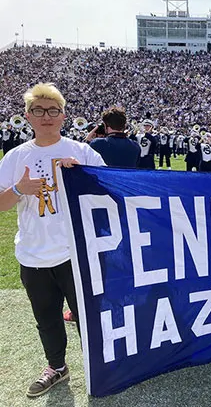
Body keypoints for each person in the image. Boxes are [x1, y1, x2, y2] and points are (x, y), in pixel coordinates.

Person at [0, 83, 105, 398]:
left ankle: (99, 366)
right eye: (38, 110)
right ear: (28, 116)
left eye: (53, 110)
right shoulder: (16, 156)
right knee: (46, 318)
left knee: (88, 315)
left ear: (63, 116)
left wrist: (84, 177)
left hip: (76, 252)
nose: (46, 116)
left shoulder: (82, 151)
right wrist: (19, 189)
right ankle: (57, 366)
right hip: (33, 253)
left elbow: (110, 191)